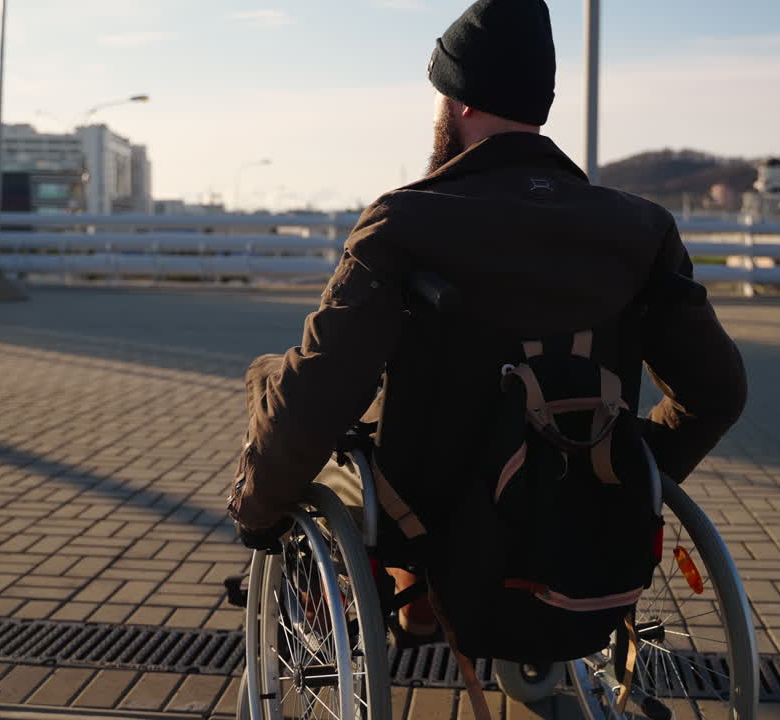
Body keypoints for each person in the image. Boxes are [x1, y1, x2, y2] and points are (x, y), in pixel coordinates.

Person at [228, 0, 746, 642]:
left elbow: (319, 392)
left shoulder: (404, 222)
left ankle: (411, 602)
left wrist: (257, 515)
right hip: (580, 489)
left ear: (461, 103)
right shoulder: (642, 227)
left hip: (425, 515)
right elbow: (717, 393)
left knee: (271, 381)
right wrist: (627, 474)